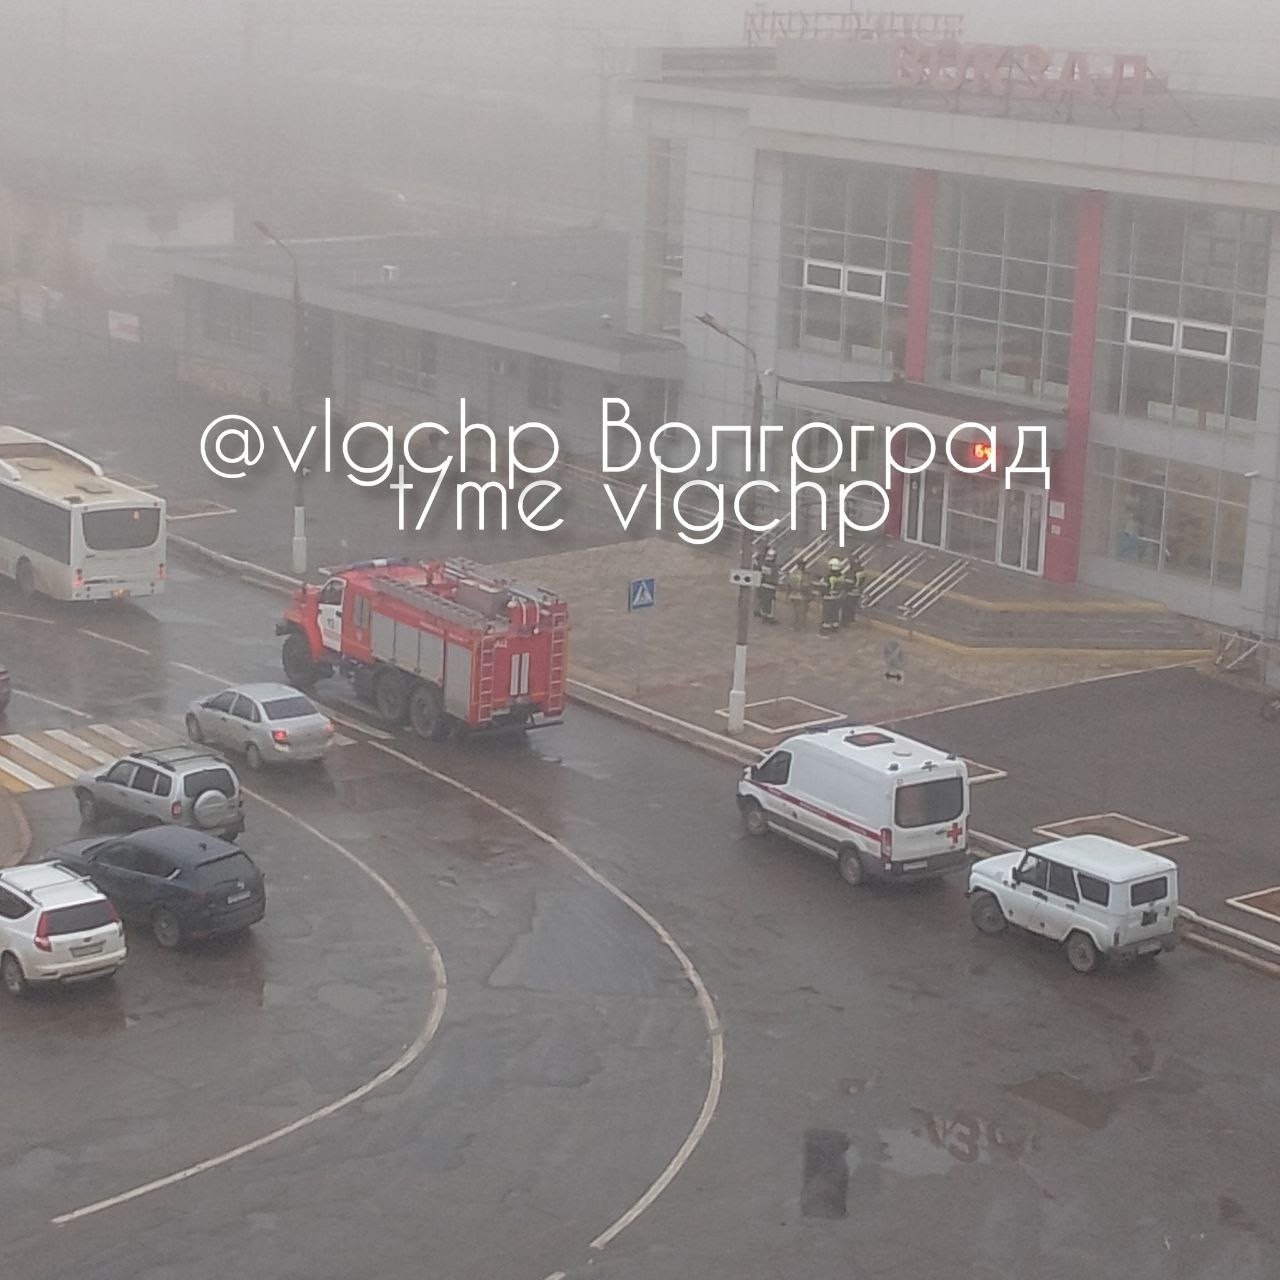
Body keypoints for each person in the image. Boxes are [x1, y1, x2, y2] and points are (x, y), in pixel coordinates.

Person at [820, 556, 847, 635]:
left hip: (828, 598)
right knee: (835, 613)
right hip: (838, 597)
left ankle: (825, 630)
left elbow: (824, 588)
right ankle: (835, 627)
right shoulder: (842, 576)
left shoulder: (828, 577)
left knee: (827, 614)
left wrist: (822, 594)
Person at [786, 560, 811, 630]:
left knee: (795, 612)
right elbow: (807, 586)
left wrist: (788, 594)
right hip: (802, 595)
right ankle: (802, 626)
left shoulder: (793, 574)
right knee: (802, 612)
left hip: (793, 594)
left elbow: (789, 585)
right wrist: (809, 595)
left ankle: (795, 626)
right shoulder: (806, 575)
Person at [758, 547, 779, 624]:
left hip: (763, 585)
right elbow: (775, 577)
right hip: (770, 586)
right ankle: (770, 618)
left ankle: (764, 617)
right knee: (770, 603)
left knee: (764, 602)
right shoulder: (774, 566)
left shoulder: (762, 564)